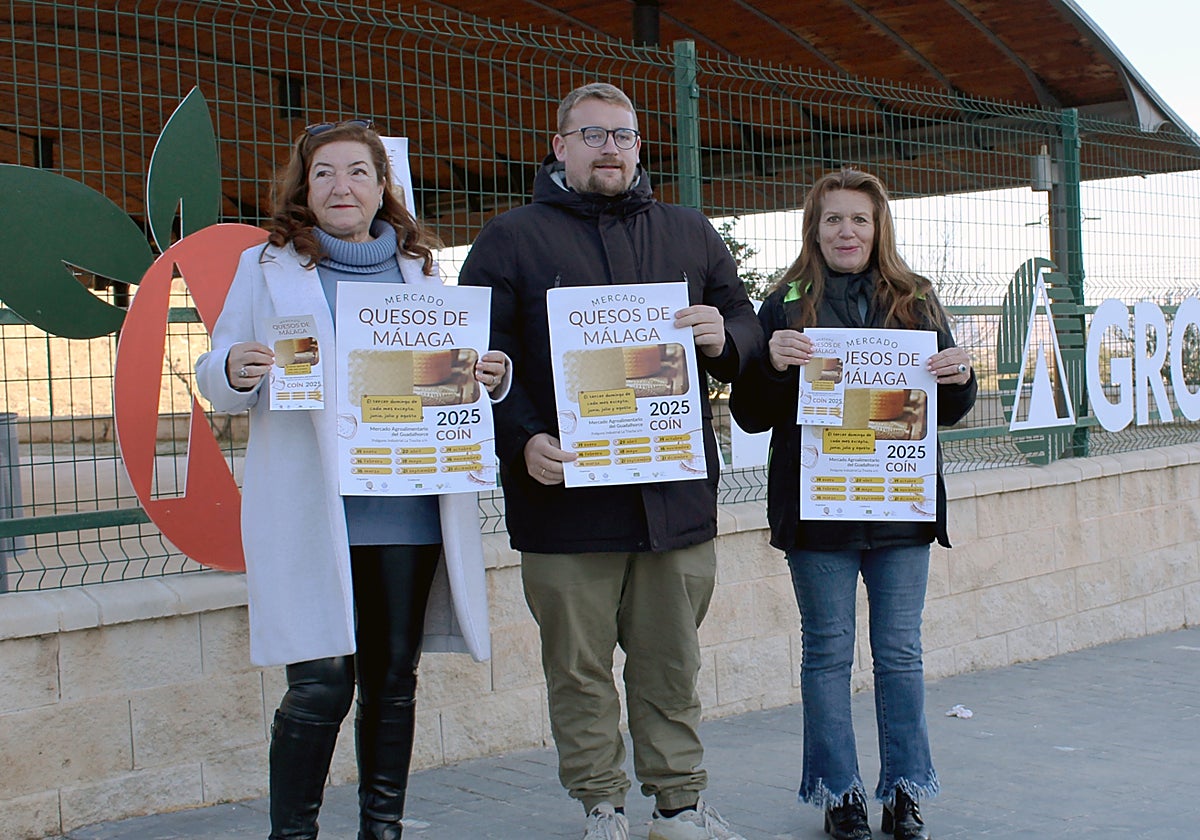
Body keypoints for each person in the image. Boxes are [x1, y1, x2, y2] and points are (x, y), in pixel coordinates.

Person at [459, 83, 763, 840]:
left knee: (670, 667)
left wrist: (722, 337)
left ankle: (679, 805)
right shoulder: (509, 240)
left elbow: (747, 326)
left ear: (639, 147)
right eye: (591, 135)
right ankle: (601, 806)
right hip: (565, 504)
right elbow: (479, 366)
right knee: (580, 670)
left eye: (623, 136)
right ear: (559, 146)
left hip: (672, 500)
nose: (610, 149)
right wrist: (523, 439)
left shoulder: (690, 233)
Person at [195, 119, 510, 840]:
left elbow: (451, 370)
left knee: (392, 683)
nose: (343, 185)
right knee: (319, 686)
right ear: (305, 187)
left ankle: (383, 831)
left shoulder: (422, 269)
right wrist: (234, 370)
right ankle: (294, 834)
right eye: (327, 172)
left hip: (405, 509)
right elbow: (217, 368)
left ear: (381, 186)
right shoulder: (266, 265)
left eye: (359, 172)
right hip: (313, 508)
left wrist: (489, 374)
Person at [729, 168, 976, 840]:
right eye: (833, 219)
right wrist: (771, 364)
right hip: (818, 513)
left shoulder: (916, 298)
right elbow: (750, 414)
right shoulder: (783, 301)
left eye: (859, 219)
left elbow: (947, 406)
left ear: (879, 227)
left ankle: (903, 791)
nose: (847, 231)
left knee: (900, 653)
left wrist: (961, 376)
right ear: (814, 227)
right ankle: (839, 795)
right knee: (828, 653)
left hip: (900, 507)